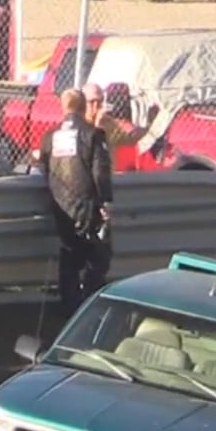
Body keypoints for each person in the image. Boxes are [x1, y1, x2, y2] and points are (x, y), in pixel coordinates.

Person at [38, 88, 113, 318]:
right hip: (86, 205)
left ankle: (68, 306)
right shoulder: (93, 134)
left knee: (68, 252)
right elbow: (100, 173)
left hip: (60, 206)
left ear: (63, 108)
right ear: (82, 108)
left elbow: (44, 168)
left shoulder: (49, 136)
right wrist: (106, 201)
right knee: (95, 254)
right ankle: (89, 307)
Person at [90, 82, 149, 172]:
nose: (96, 106)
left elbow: (134, 135)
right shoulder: (111, 124)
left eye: (99, 102)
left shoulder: (111, 125)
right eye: (92, 102)